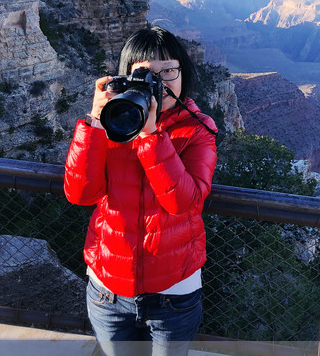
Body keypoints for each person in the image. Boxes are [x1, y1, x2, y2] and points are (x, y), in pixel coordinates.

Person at [64, 26, 218, 356]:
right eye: (147, 73)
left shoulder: (197, 131)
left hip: (174, 294)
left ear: (183, 75)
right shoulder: (111, 123)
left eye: (169, 71)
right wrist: (94, 123)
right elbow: (80, 193)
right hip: (107, 291)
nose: (160, 82)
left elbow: (184, 202)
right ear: (128, 77)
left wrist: (150, 137)